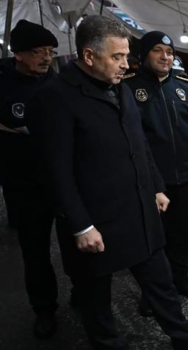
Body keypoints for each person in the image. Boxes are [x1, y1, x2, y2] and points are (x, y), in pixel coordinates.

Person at [24, 15, 188, 350]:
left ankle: (186, 339)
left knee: (160, 282)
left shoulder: (118, 87)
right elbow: (55, 170)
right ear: (89, 56)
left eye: (126, 56)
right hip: (95, 218)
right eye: (117, 57)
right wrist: (79, 225)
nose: (125, 64)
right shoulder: (56, 97)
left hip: (138, 208)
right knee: (96, 299)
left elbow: (140, 145)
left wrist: (156, 186)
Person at [124, 31, 188, 315]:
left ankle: (180, 278)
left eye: (170, 52)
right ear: (144, 54)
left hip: (185, 177)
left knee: (180, 233)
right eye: (158, 51)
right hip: (151, 180)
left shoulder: (184, 87)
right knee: (153, 238)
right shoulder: (128, 89)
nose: (165, 57)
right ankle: (155, 293)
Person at [0, 19, 59, 339]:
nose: (46, 57)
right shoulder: (3, 83)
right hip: (23, 184)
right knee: (35, 251)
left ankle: (84, 292)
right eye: (38, 51)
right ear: (18, 54)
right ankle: (44, 309)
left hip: (61, 181)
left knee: (79, 244)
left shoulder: (59, 83)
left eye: (50, 51)